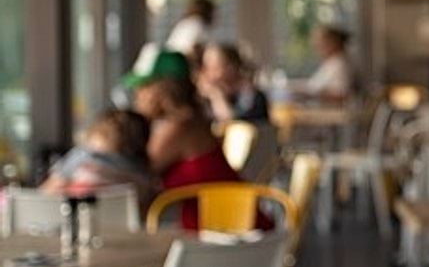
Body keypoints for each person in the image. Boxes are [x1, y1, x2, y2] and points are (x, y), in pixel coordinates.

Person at [132, 75, 242, 230]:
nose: (137, 95)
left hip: (229, 233)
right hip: (217, 230)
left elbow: (135, 171)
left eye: (143, 88)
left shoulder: (179, 126)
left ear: (162, 90)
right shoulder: (192, 119)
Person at [40, 108, 156, 202]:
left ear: (98, 134)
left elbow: (45, 194)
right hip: (122, 229)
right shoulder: (143, 176)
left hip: (79, 225)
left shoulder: (83, 158)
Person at [196, 43, 270, 124]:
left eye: (215, 68)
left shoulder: (251, 97)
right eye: (206, 68)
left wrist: (217, 97)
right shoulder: (202, 98)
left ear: (231, 68)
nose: (209, 74)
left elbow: (232, 124)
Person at [299, 25, 357, 104]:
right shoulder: (331, 63)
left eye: (320, 43)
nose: (316, 46)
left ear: (334, 42)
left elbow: (342, 94)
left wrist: (312, 94)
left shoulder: (341, 65)